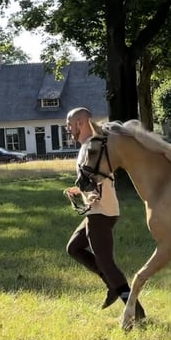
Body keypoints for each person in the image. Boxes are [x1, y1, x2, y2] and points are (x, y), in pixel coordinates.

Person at [64, 107, 145, 320]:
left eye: (70, 123)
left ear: (80, 123)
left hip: (101, 211)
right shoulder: (87, 146)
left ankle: (135, 309)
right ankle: (112, 285)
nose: (68, 128)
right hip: (99, 211)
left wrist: (93, 195)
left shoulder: (94, 145)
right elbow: (92, 178)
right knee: (74, 248)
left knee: (106, 262)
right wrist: (80, 190)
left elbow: (105, 176)